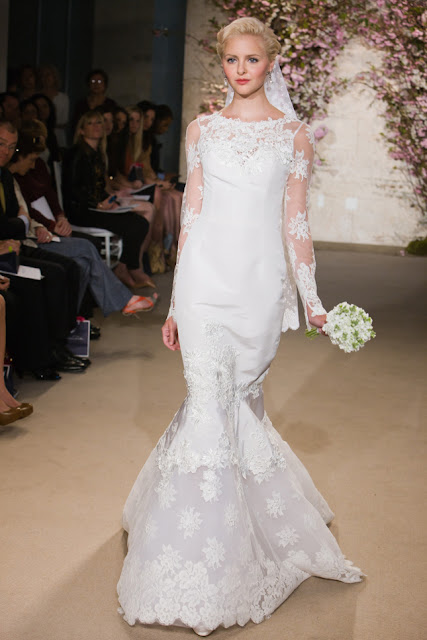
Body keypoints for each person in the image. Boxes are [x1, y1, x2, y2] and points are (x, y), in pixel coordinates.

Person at [117, 17, 364, 636]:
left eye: (252, 59)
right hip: (205, 285)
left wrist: (312, 300)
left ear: (270, 63)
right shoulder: (201, 130)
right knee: (207, 402)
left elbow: (296, 224)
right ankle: (194, 563)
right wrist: (177, 303)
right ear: (223, 63)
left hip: (257, 288)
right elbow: (192, 218)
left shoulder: (294, 136)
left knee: (238, 403)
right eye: (232, 60)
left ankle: (258, 527)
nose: (241, 70)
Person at [10, 129, 159, 317]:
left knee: (82, 262)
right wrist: (47, 226)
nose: (33, 165)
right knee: (86, 249)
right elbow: (25, 215)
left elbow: (46, 199)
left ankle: (74, 322)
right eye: (31, 159)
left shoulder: (22, 175)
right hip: (30, 239)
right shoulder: (13, 179)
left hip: (42, 230)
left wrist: (59, 218)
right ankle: (121, 302)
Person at [62, 110, 155, 289]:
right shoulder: (76, 153)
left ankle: (123, 267)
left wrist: (111, 201)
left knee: (140, 222)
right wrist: (97, 204)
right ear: (81, 130)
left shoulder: (97, 153)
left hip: (97, 207)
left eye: (99, 122)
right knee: (136, 224)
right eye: (90, 123)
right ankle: (130, 268)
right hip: (82, 211)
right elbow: (72, 189)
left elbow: (99, 187)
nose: (97, 126)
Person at [38, 64, 70, 148]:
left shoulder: (63, 98)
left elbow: (64, 122)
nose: (46, 78)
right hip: (39, 135)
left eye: (48, 75)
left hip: (58, 137)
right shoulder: (37, 97)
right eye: (43, 75)